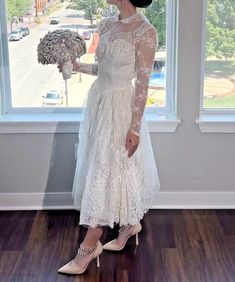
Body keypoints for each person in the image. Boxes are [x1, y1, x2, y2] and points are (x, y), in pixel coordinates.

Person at [58, 0, 160, 275]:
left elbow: (142, 83)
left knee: (107, 170)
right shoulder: (106, 24)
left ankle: (90, 247)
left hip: (120, 110)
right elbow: (103, 69)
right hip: (99, 103)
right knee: (109, 168)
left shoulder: (146, 31)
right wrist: (77, 66)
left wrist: (134, 127)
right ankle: (129, 225)